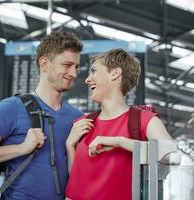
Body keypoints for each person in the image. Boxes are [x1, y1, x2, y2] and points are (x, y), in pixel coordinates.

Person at [0, 31, 84, 200]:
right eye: (67, 65)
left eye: (76, 66)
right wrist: (22, 148)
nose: (74, 73)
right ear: (44, 64)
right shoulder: (12, 108)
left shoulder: (77, 117)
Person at [65, 49, 177, 200]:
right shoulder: (82, 123)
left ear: (115, 73)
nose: (87, 79)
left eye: (94, 71)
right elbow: (78, 182)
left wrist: (119, 142)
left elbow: (172, 157)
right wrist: (70, 145)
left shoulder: (143, 119)